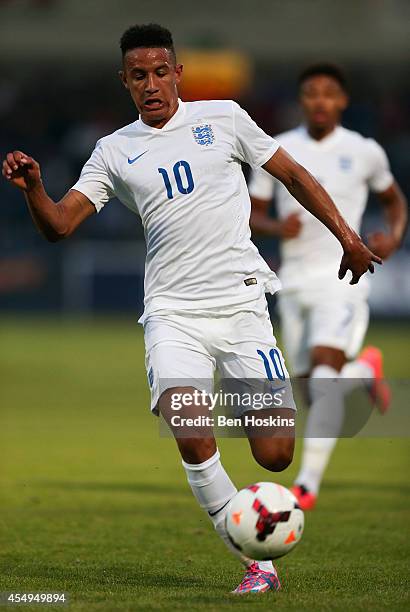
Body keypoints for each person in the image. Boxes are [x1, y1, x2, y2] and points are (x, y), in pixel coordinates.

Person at [2, 28, 381, 594]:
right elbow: (59, 226)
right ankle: (260, 564)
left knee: (276, 456)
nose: (150, 84)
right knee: (190, 431)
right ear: (124, 81)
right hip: (172, 314)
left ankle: (351, 376)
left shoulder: (225, 118)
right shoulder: (113, 150)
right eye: (138, 75)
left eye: (160, 72)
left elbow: (295, 176)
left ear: (178, 73)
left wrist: (347, 237)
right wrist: (35, 188)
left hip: (243, 307)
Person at [248, 63, 408, 511]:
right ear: (302, 100)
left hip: (343, 281)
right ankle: (364, 371)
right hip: (293, 282)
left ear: (342, 101)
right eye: (312, 93)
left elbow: (395, 201)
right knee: (314, 392)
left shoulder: (364, 151)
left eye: (329, 93)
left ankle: (306, 486)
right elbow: (250, 212)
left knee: (322, 380)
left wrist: (392, 237)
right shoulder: (278, 147)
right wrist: (280, 227)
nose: (320, 100)